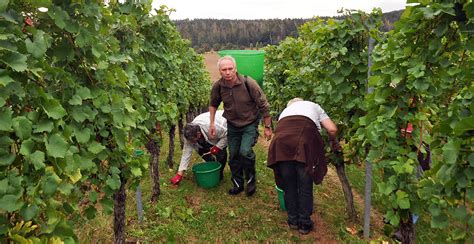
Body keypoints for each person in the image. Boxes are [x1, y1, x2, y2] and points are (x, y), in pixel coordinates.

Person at [267, 98, 340, 235]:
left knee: (289, 184)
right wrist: (332, 141)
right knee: (305, 184)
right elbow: (332, 129)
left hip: (281, 145)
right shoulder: (313, 106)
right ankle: (305, 224)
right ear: (302, 101)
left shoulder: (285, 111)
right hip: (303, 143)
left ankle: (293, 221)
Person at [209, 55, 272, 196]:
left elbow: (264, 105)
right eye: (224, 69)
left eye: (230, 69)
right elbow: (213, 104)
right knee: (233, 156)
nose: (227, 72)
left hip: (249, 123)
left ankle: (250, 180)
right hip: (232, 125)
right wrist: (212, 123)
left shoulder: (248, 83)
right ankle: (237, 184)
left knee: (245, 151)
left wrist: (267, 127)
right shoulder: (218, 86)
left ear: (235, 68)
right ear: (220, 71)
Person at [170, 111, 228, 185]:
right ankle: (211, 167)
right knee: (202, 151)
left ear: (198, 134)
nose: (192, 143)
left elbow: (227, 134)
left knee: (221, 154)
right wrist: (179, 174)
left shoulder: (214, 127)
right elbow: (186, 153)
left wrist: (218, 147)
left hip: (224, 126)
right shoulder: (188, 135)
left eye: (193, 140)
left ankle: (219, 174)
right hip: (206, 134)